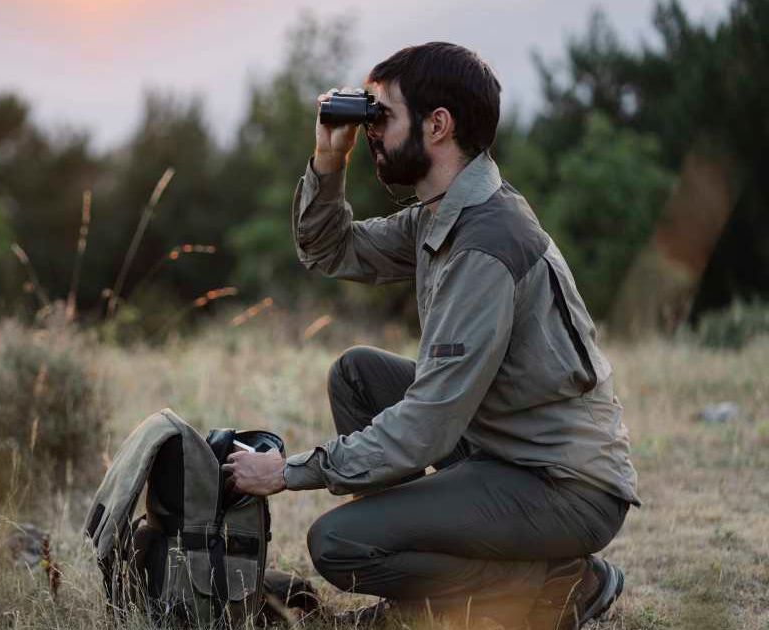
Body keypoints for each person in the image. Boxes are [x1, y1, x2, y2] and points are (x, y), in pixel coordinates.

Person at [221, 42, 640, 630]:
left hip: (563, 485)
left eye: (382, 116)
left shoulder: (485, 245)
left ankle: (558, 585)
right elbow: (328, 247)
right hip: (503, 447)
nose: (372, 132)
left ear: (437, 125)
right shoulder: (444, 214)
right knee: (357, 374)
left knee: (338, 544)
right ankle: (418, 600)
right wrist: (327, 158)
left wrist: (289, 472)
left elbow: (426, 425)